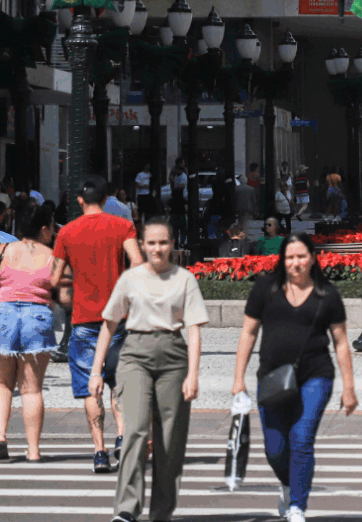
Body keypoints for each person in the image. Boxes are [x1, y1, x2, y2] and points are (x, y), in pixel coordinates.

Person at [232, 233, 358, 522]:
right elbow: (248, 332)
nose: (296, 263)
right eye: (290, 257)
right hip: (272, 377)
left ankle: (297, 506)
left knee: (302, 439)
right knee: (275, 448)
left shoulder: (327, 294)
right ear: (282, 260)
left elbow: (340, 342)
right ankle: (288, 485)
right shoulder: (266, 288)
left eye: (301, 256)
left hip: (316, 376)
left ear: (313, 258)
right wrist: (238, 378)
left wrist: (348, 387)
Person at [92, 219, 207, 522]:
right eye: (152, 243)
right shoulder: (130, 279)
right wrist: (96, 371)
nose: (158, 248)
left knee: (170, 439)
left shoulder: (185, 279)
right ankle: (127, 509)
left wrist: (193, 375)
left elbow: (194, 329)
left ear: (172, 245)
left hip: (173, 355)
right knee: (136, 430)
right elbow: (109, 325)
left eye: (164, 242)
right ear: (142, 245)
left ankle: (161, 512)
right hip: (135, 354)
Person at [54, 176, 142, 473]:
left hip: (83, 319)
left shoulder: (66, 232)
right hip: (119, 318)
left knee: (90, 389)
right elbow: (138, 264)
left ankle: (99, 452)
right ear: (106, 200)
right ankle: (121, 436)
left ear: (80, 200)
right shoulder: (122, 226)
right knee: (118, 382)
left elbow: (54, 279)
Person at [0, 204, 61, 462]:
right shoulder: (53, 256)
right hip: (38, 316)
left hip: (4, 314)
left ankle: (0, 439)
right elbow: (58, 288)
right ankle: (33, 450)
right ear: (44, 229)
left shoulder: (5, 250)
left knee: (2, 384)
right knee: (32, 389)